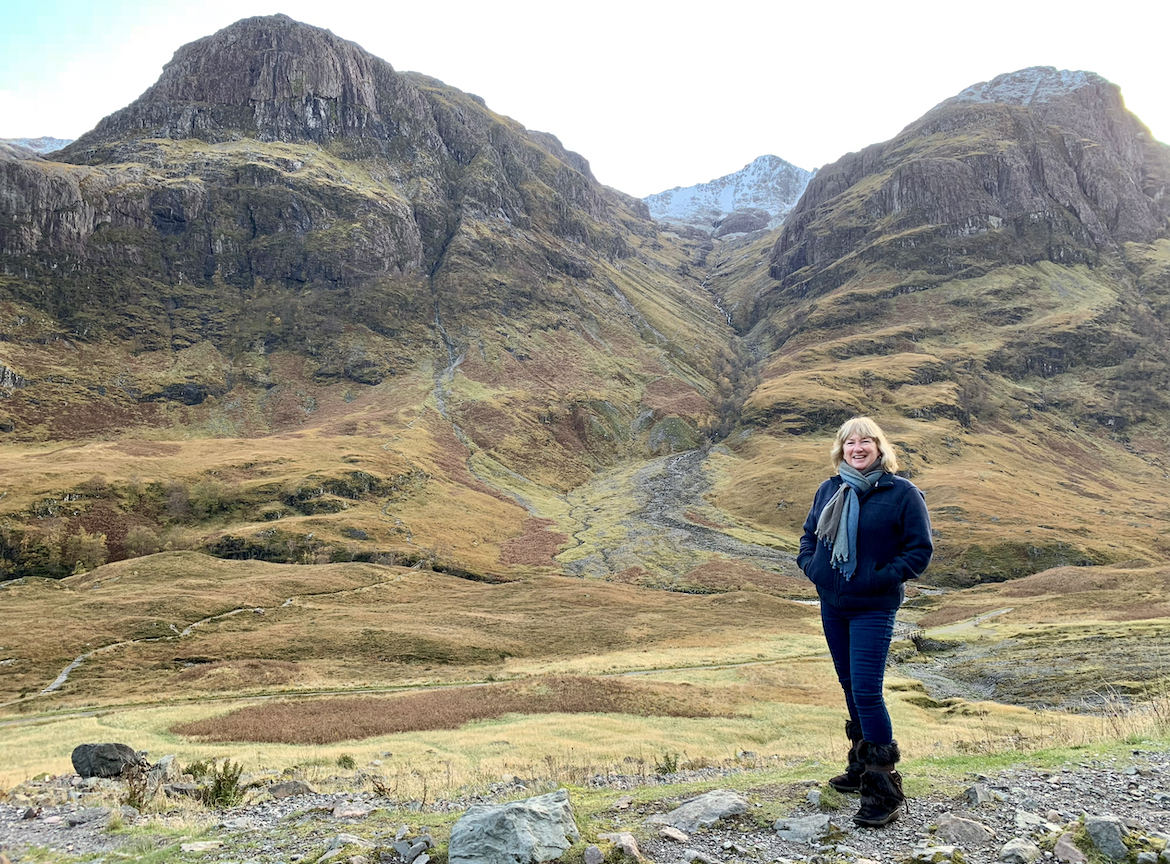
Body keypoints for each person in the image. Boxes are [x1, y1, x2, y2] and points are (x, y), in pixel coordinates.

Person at [796, 416, 932, 827]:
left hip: (874, 606)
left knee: (868, 691)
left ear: (879, 447)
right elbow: (808, 536)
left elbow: (919, 551)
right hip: (833, 603)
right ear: (841, 449)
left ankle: (884, 790)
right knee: (849, 685)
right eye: (850, 442)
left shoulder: (902, 493)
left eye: (865, 441)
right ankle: (861, 767)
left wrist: (879, 577)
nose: (857, 448)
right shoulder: (829, 489)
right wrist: (813, 567)